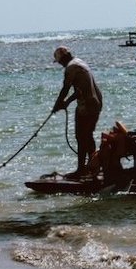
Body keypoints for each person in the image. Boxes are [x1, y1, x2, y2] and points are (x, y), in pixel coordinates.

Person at [52, 46, 103, 178]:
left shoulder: (71, 68)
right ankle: (93, 166)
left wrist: (57, 104)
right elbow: (79, 90)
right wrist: (66, 103)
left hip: (87, 106)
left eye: (60, 62)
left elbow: (65, 88)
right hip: (96, 103)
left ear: (62, 59)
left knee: (81, 137)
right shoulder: (80, 63)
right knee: (88, 135)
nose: (61, 65)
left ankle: (81, 170)